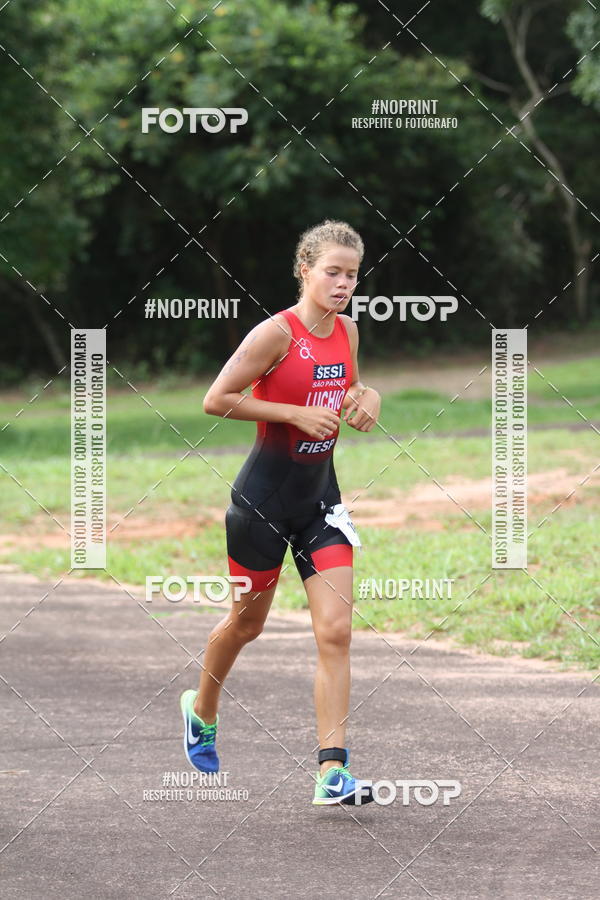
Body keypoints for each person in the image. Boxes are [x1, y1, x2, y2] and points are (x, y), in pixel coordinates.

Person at [180, 219, 381, 805]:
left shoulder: (349, 332)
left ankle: (332, 773)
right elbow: (216, 399)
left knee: (336, 632)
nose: (343, 284)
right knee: (247, 625)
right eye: (332, 272)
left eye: (352, 275)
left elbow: (349, 389)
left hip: (321, 502)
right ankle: (201, 709)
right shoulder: (275, 334)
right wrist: (292, 414)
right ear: (305, 270)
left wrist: (367, 398)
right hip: (261, 506)